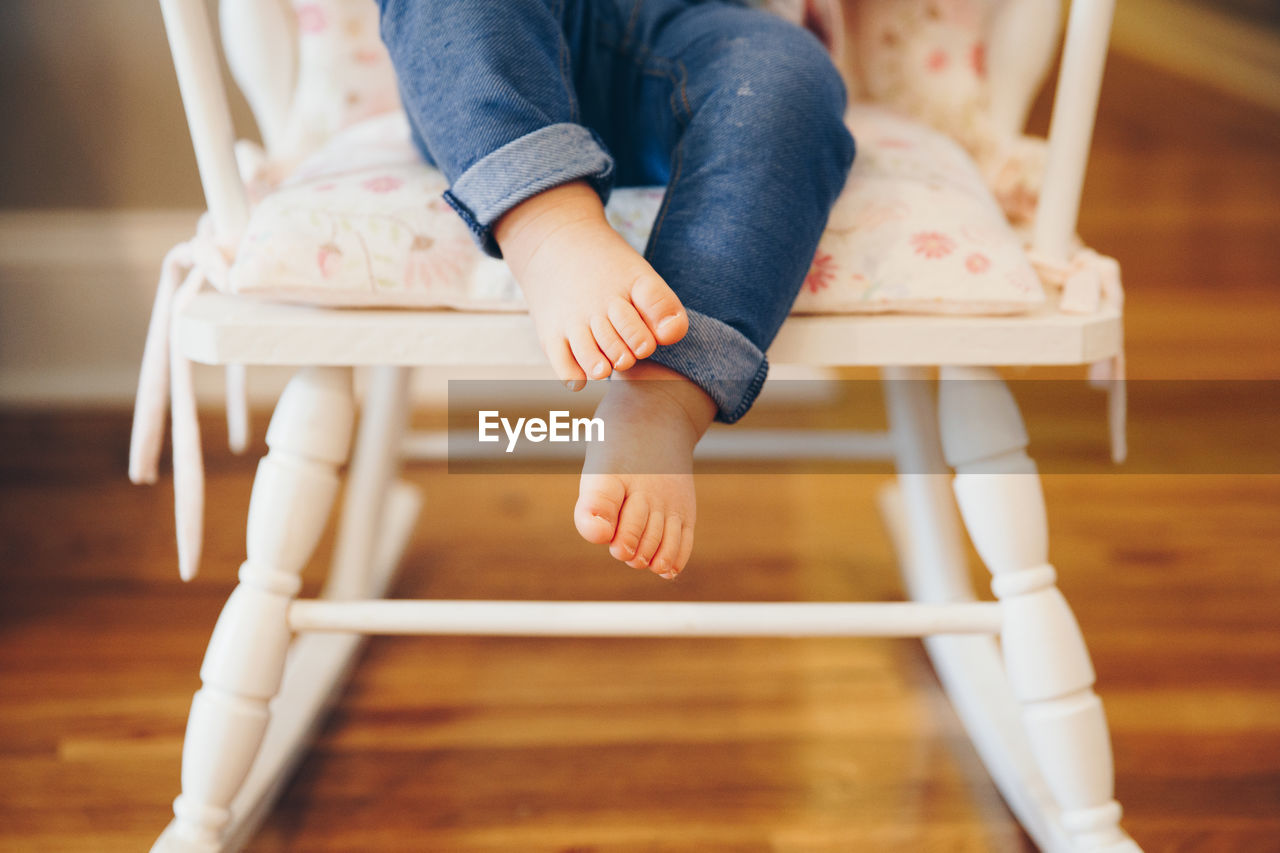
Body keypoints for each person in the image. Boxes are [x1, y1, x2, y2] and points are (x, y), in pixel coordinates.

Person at [378, 0, 855, 579]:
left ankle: (666, 392)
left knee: (788, 82)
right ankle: (547, 222)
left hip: (709, 30)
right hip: (495, 64)